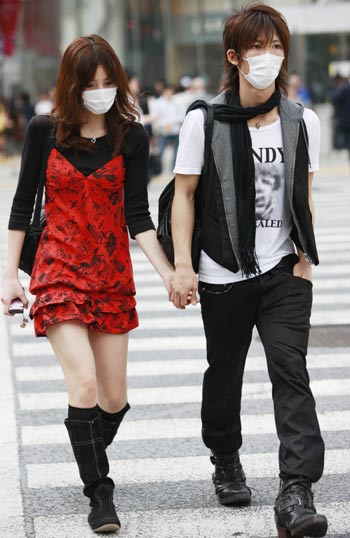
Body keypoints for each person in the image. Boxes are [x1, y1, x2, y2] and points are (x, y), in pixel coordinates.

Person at [1, 34, 173, 534]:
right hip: (58, 271)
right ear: (71, 86)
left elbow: (138, 216)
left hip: (112, 275)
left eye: (107, 82)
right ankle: (101, 494)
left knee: (113, 399)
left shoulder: (131, 137)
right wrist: (10, 275)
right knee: (84, 383)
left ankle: (88, 449)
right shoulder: (43, 131)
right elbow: (19, 207)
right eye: (89, 84)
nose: (99, 91)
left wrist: (167, 273)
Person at [170, 5, 327, 538]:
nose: (269, 57)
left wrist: (305, 258)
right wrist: (183, 268)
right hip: (222, 271)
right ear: (234, 57)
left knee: (292, 373)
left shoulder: (302, 119)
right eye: (257, 48)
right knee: (225, 375)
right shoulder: (204, 119)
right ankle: (225, 458)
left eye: (276, 46)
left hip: (284, 271)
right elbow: (184, 196)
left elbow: (303, 194)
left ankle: (296, 491)